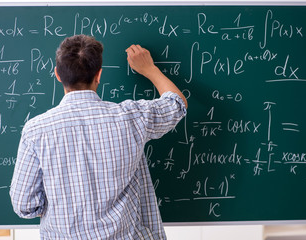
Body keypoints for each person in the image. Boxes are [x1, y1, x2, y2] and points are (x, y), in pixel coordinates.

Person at [10, 34, 187, 240]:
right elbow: (176, 104)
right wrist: (149, 69)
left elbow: (24, 205)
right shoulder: (131, 117)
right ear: (99, 75)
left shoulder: (36, 130)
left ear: (58, 75)